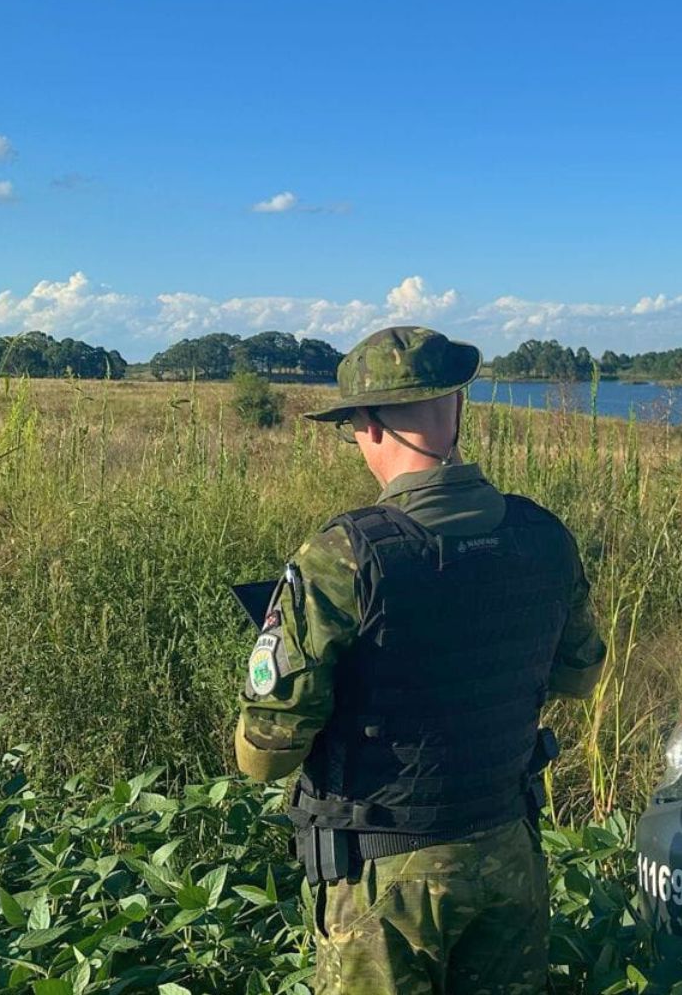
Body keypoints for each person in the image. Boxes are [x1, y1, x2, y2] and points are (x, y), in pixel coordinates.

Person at [234, 325, 606, 995]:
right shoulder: (545, 537)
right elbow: (579, 677)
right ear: (457, 406)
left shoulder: (343, 556)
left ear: (369, 425)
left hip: (385, 878)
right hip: (509, 851)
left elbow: (266, 755)